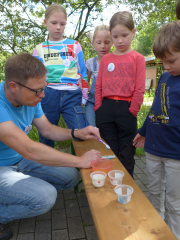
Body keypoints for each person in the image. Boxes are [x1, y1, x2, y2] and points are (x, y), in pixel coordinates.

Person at [0, 53, 101, 240]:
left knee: (71, 176)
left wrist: (76, 132)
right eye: (38, 90)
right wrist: (80, 160)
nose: (43, 95)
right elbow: (30, 149)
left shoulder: (29, 98)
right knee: (45, 198)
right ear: (14, 86)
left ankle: (20, 188)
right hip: (3, 167)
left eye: (44, 88)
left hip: (20, 160)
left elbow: (47, 130)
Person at [133, 20, 180, 240]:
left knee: (174, 202)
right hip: (152, 149)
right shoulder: (163, 77)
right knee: (153, 193)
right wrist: (143, 131)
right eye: (162, 62)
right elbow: (155, 108)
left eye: (171, 61)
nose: (166, 66)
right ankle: (156, 232)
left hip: (175, 155)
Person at [95, 11, 146, 177]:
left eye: (124, 35)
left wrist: (133, 110)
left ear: (133, 32)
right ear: (111, 35)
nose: (120, 41)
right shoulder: (106, 59)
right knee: (109, 149)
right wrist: (98, 107)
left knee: (126, 151)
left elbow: (139, 88)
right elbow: (99, 85)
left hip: (126, 108)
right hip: (106, 108)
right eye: (115, 36)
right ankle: (110, 183)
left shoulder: (138, 58)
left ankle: (126, 184)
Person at [33, 4, 89, 148]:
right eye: (54, 23)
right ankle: (47, 168)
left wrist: (84, 96)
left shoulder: (75, 45)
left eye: (62, 24)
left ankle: (80, 167)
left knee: (81, 134)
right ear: (45, 22)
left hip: (72, 95)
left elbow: (82, 72)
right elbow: (35, 77)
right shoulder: (38, 49)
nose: (58, 27)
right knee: (45, 136)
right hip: (48, 95)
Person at [85, 25, 112, 127]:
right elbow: (85, 82)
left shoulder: (115, 62)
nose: (102, 46)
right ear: (93, 43)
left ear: (112, 42)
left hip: (109, 104)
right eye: (99, 42)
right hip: (92, 102)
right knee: (91, 127)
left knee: (105, 129)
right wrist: (89, 89)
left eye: (106, 42)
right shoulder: (90, 62)